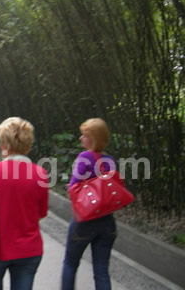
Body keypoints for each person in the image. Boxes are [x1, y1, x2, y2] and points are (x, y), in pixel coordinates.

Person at [0, 117, 49, 290]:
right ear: (27, 145)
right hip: (29, 250)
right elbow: (42, 212)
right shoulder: (41, 174)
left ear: (5, 144)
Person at [61, 118, 117, 290]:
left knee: (70, 263)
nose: (80, 138)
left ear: (93, 138)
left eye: (84, 135)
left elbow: (73, 188)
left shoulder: (85, 157)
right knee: (101, 271)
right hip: (107, 222)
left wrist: (70, 187)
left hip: (84, 222)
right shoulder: (109, 160)